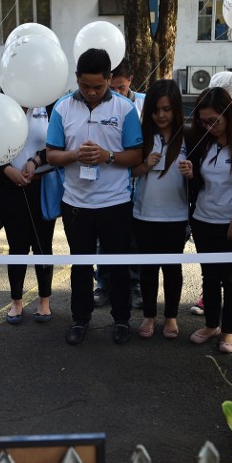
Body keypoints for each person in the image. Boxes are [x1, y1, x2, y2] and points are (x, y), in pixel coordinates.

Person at [46, 48, 143, 346]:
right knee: (80, 265)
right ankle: (80, 319)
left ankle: (122, 319)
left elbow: (137, 154)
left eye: (98, 87)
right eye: (84, 86)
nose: (90, 92)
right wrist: (75, 155)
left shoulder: (125, 109)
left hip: (115, 202)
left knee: (118, 264)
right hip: (76, 204)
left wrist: (108, 156)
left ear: (110, 79)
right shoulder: (62, 108)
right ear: (76, 78)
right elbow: (51, 154)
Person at [180, 86, 232, 354]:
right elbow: (201, 184)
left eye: (214, 120)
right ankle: (212, 323)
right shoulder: (201, 142)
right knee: (210, 276)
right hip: (204, 219)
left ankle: (229, 330)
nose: (209, 126)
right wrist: (192, 175)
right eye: (204, 121)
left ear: (230, 115)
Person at [131, 79, 189, 339]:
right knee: (148, 269)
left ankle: (171, 316)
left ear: (176, 108)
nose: (161, 115)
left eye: (166, 109)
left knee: (172, 268)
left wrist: (192, 172)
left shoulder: (188, 136)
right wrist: (144, 165)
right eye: (156, 110)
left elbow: (202, 175)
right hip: (144, 214)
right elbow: (128, 170)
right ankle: (149, 316)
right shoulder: (142, 137)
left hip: (176, 216)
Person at [0, 105, 54, 324]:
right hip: (11, 188)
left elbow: (60, 143)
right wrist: (7, 168)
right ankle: (16, 301)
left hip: (41, 186)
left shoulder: (49, 104)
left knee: (43, 246)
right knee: (17, 247)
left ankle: (44, 300)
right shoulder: (1, 107)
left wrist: (36, 160)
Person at [94, 57, 144, 310]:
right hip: (108, 185)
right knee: (104, 240)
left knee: (133, 240)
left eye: (121, 88)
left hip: (138, 184)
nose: (116, 94)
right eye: (111, 89)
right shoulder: (98, 106)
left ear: (131, 82)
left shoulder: (144, 104)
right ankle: (102, 283)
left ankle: (134, 285)